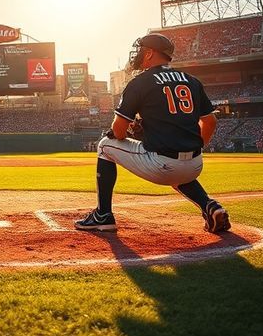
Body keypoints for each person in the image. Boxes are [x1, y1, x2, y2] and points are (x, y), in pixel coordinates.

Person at [75, 33, 231, 234]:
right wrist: (196, 148)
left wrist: (133, 131)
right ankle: (210, 206)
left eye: (140, 50)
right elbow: (210, 121)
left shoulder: (140, 82)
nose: (137, 55)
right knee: (178, 169)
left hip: (162, 165)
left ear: (149, 53)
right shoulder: (191, 81)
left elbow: (119, 132)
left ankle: (103, 214)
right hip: (195, 165)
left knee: (105, 145)